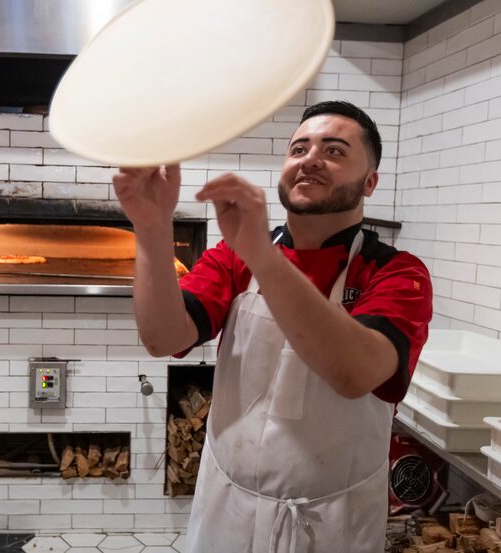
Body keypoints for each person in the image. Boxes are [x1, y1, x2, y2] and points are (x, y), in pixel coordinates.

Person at [112, 101, 433, 553]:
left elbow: (356, 373)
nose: (311, 158)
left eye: (335, 151)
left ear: (370, 182)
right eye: (299, 148)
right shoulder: (233, 256)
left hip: (332, 523)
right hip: (228, 507)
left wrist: (263, 255)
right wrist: (151, 227)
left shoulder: (396, 273)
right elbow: (163, 336)